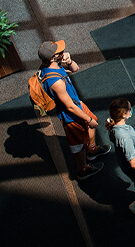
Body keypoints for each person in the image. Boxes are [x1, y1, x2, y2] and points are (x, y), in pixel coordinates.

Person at [39, 40, 110, 180]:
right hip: (71, 116)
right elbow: (69, 106)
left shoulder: (53, 66)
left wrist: (69, 61)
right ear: (53, 58)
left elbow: (75, 69)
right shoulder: (56, 82)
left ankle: (92, 149)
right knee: (78, 146)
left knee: (93, 121)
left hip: (77, 104)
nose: (63, 52)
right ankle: (83, 170)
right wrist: (87, 119)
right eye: (59, 52)